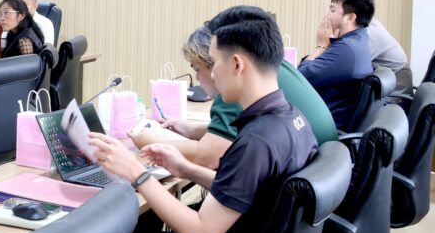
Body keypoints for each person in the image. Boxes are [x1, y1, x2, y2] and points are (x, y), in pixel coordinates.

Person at [84, 6, 317, 233]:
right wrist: (186, 169)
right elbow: (256, 196)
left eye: (214, 61)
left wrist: (136, 174)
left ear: (237, 64)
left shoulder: (256, 142)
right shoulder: (290, 120)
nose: (210, 71)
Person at [129, 24, 338, 167]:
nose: (198, 78)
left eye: (197, 69)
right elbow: (244, 129)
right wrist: (193, 130)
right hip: (323, 168)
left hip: (301, 182)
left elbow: (208, 156)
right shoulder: (263, 63)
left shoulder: (236, 86)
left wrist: (152, 142)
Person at [298, 0, 374, 130]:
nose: (327, 16)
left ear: (349, 18)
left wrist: (321, 46)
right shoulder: (356, 41)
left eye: (332, 10)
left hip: (323, 128)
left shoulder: (347, 49)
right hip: (326, 118)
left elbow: (300, 78)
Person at [368, 18, 413, 98]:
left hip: (395, 100)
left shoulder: (369, 32)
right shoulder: (371, 24)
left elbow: (347, 68)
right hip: (386, 96)